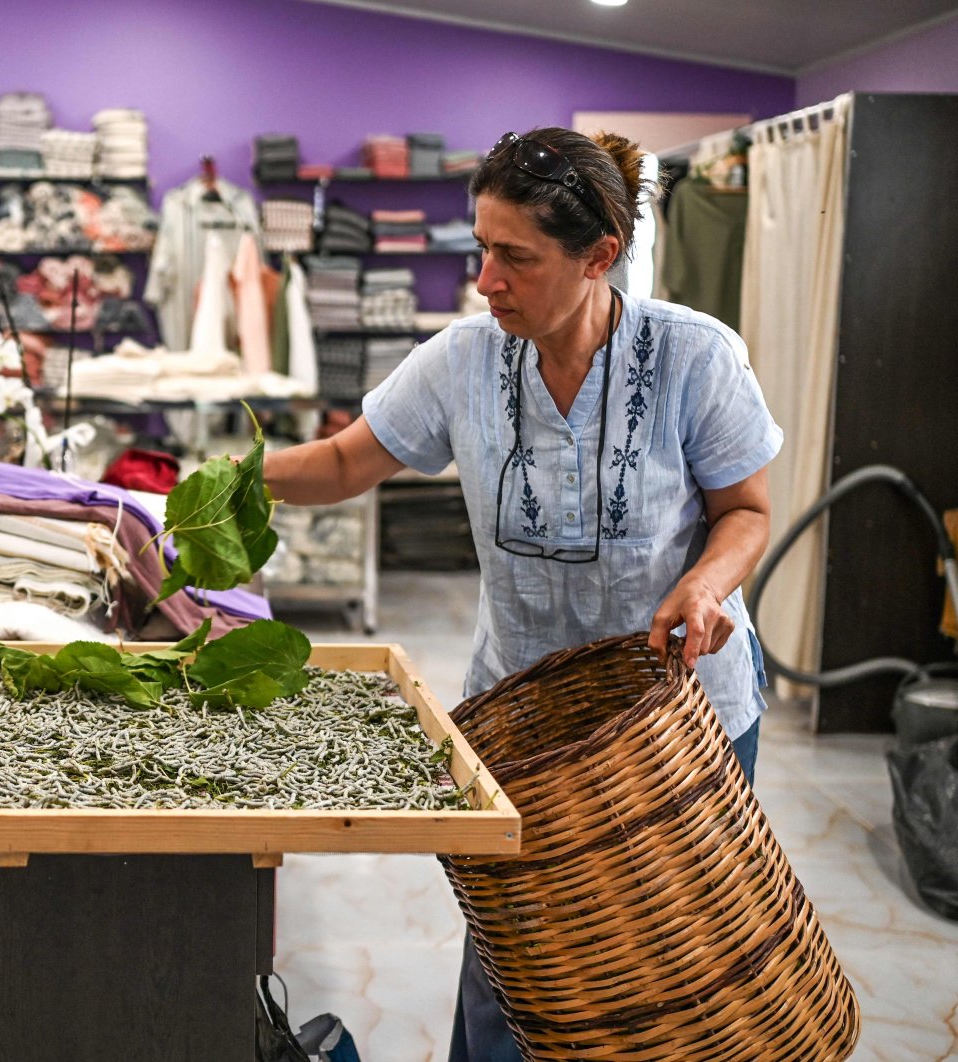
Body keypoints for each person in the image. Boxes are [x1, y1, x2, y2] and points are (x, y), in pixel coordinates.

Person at [261, 127, 781, 1061]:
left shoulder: (693, 357)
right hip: (523, 717)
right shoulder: (464, 360)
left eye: (515, 257)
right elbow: (345, 461)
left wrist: (705, 584)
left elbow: (745, 509)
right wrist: (220, 481)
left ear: (600, 258)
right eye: (481, 250)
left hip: (681, 713)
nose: (486, 280)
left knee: (668, 967)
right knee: (516, 964)